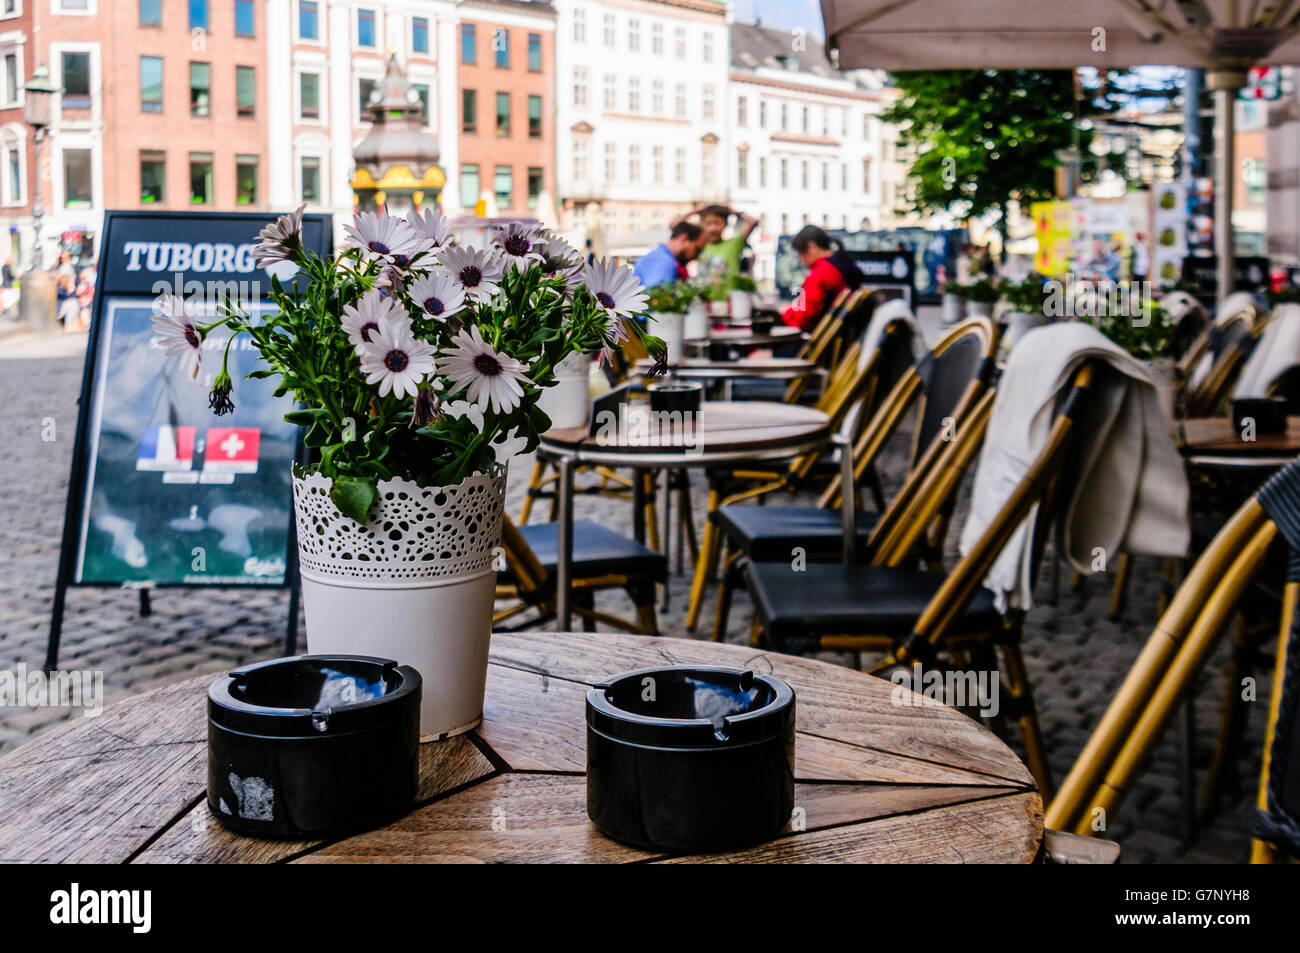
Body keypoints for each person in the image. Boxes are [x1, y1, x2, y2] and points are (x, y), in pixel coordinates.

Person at [781, 225, 864, 332]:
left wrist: (785, 314)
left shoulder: (821, 273)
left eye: (800, 253)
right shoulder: (843, 263)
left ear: (812, 247)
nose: (801, 259)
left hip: (816, 338)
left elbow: (804, 318)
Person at [673, 204, 757, 286]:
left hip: (727, 298)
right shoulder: (701, 245)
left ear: (725, 224)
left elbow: (753, 222)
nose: (713, 228)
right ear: (702, 224)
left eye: (717, 223)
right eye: (708, 223)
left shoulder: (734, 244)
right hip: (704, 297)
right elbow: (674, 226)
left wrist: (732, 211)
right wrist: (695, 211)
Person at [632, 221, 703, 289]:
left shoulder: (659, 256)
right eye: (697, 249)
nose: (697, 256)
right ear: (684, 238)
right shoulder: (664, 262)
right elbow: (659, 298)